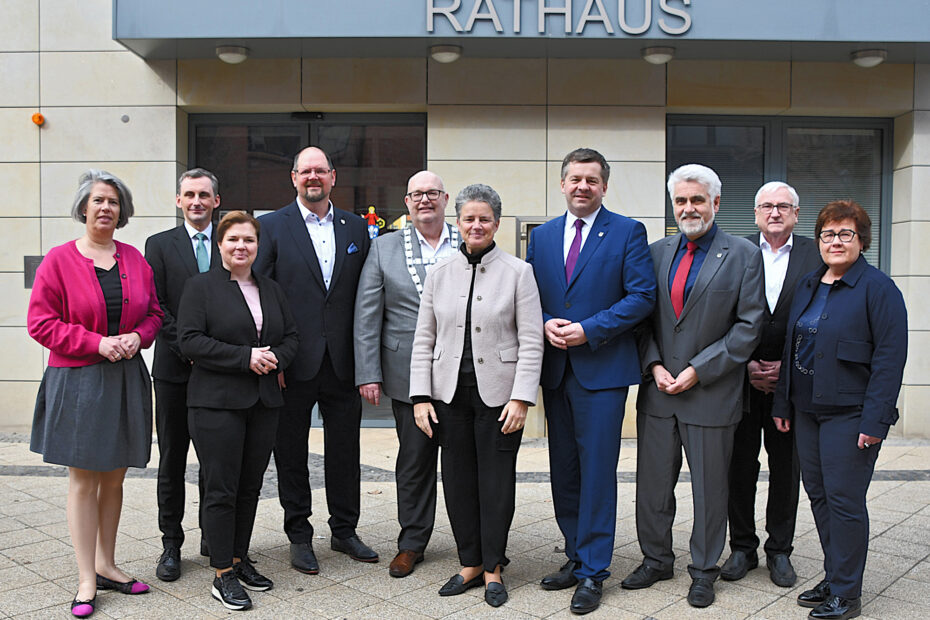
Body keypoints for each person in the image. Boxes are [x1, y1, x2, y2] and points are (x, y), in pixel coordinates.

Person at [626, 164, 764, 608]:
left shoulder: (743, 254)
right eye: (681, 200)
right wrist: (654, 366)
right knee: (651, 486)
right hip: (659, 392)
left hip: (711, 393)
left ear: (716, 203)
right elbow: (641, 319)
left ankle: (704, 570)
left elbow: (748, 327)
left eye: (697, 200)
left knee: (710, 491)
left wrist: (699, 370)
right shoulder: (655, 253)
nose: (689, 208)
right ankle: (655, 560)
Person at [526, 147, 656, 615]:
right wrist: (543, 322)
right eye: (575, 179)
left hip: (601, 371)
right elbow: (527, 295)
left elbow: (642, 296)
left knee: (597, 472)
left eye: (592, 180)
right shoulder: (541, 237)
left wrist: (589, 329)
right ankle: (575, 555)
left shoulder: (626, 231)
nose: (583, 186)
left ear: (604, 186)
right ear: (561, 184)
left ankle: (594, 571)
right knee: (564, 470)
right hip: (556, 370)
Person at [27, 170, 163, 618]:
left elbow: (155, 315)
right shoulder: (59, 260)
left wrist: (137, 338)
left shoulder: (134, 259)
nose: (106, 208)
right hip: (79, 379)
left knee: (116, 478)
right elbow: (41, 323)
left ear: (122, 212)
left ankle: (108, 563)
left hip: (125, 377)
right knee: (84, 481)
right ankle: (87, 577)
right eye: (99, 200)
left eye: (114, 202)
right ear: (83, 207)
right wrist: (97, 342)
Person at [409, 183, 544, 608]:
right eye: (469, 218)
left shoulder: (518, 272)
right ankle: (469, 562)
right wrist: (420, 396)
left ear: (497, 224)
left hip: (500, 397)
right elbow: (423, 339)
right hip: (449, 396)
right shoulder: (440, 273)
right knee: (458, 481)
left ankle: (493, 567)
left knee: (496, 483)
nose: (476, 225)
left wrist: (522, 397)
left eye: (484, 218)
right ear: (458, 223)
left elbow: (531, 340)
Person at [772, 201, 907, 620]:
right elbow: (791, 347)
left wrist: (876, 420)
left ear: (862, 240)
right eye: (828, 234)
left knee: (845, 500)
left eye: (845, 234)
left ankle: (847, 594)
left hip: (851, 414)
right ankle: (835, 575)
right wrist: (782, 401)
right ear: (819, 240)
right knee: (820, 495)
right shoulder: (810, 283)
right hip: (807, 410)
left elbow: (889, 359)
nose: (835, 241)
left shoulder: (878, 288)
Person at [253, 146, 375, 574]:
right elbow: (261, 297)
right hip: (292, 363)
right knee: (291, 453)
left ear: (333, 177)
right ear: (293, 177)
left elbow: (366, 296)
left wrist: (367, 363)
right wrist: (275, 358)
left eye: (320, 171)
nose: (313, 178)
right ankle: (299, 535)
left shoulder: (357, 228)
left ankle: (345, 531)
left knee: (345, 451)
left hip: (342, 363)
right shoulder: (269, 227)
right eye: (305, 171)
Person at [178, 211, 299, 611]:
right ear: (220, 245)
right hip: (216, 404)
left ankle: (238, 557)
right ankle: (221, 573)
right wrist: (244, 357)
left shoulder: (272, 289)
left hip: (263, 402)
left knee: (250, 487)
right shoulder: (200, 288)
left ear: (257, 246)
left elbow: (291, 337)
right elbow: (190, 340)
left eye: (248, 240)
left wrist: (274, 359)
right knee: (221, 488)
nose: (241, 247)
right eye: (233, 240)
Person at [354, 171, 458, 578]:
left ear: (445, 198)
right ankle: (412, 542)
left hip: (460, 372)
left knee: (461, 461)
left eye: (433, 193)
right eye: (417, 194)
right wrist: (368, 371)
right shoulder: (384, 247)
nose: (425, 201)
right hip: (405, 375)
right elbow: (367, 315)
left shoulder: (466, 241)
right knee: (414, 460)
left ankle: (473, 541)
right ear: (408, 201)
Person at [721, 181, 822, 588]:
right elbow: (720, 314)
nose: (775, 212)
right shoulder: (734, 252)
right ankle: (742, 547)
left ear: (797, 214)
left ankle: (780, 550)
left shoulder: (817, 257)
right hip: (740, 382)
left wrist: (790, 369)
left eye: (784, 206)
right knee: (738, 466)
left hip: (792, 384)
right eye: (767, 206)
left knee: (786, 468)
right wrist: (742, 365)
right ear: (756, 213)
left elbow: (826, 319)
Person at [145, 168, 221, 581]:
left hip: (218, 375)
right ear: (179, 201)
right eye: (189, 195)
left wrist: (214, 354)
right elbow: (155, 306)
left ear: (216, 201)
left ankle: (214, 539)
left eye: (204, 195)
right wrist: (192, 348)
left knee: (215, 460)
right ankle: (171, 544)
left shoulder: (230, 242)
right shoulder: (158, 246)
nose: (196, 201)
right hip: (175, 371)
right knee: (173, 459)